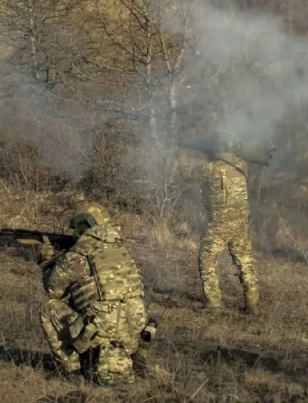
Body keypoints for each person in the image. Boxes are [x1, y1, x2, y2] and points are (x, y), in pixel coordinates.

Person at [38, 203, 155, 386]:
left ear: (83, 225)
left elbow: (53, 290)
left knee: (48, 308)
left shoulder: (79, 253)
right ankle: (130, 362)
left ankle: (70, 369)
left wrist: (47, 260)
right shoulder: (123, 249)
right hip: (134, 338)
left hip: (99, 336)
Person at [177, 134, 260, 315]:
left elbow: (187, 176)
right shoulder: (241, 165)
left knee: (206, 259)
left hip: (221, 224)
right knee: (244, 261)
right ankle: (252, 305)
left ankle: (213, 304)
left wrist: (182, 156)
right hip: (240, 223)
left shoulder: (211, 168)